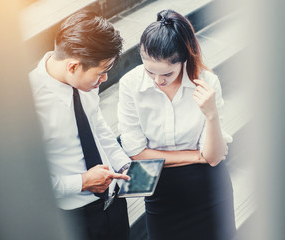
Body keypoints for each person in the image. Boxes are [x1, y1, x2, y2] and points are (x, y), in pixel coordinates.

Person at [117, 9, 236, 240]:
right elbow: (136, 153)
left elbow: (212, 157)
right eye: (149, 71)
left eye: (167, 74)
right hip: (159, 185)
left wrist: (211, 114)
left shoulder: (207, 83)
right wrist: (195, 156)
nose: (157, 81)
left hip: (207, 187)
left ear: (183, 60)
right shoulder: (130, 85)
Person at [29, 10, 132, 240]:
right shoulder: (27, 104)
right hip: (76, 218)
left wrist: (123, 163)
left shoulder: (86, 85)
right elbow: (30, 184)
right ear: (73, 66)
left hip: (114, 203)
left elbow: (97, 126)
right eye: (101, 72)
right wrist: (82, 182)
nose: (104, 79)